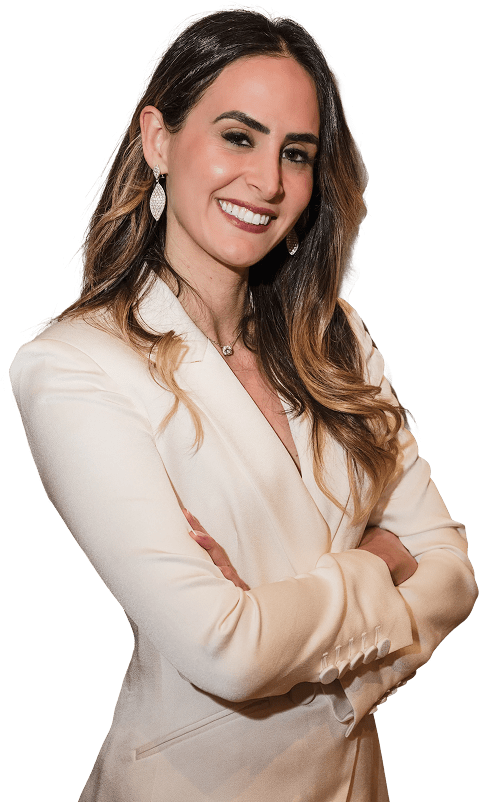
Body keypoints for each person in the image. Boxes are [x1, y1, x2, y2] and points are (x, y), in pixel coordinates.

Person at [9, 7, 477, 801]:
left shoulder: (336, 336)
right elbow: (228, 652)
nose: (268, 181)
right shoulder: (72, 367)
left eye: (296, 153)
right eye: (238, 136)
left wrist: (276, 613)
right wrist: (381, 557)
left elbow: (454, 570)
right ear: (158, 140)